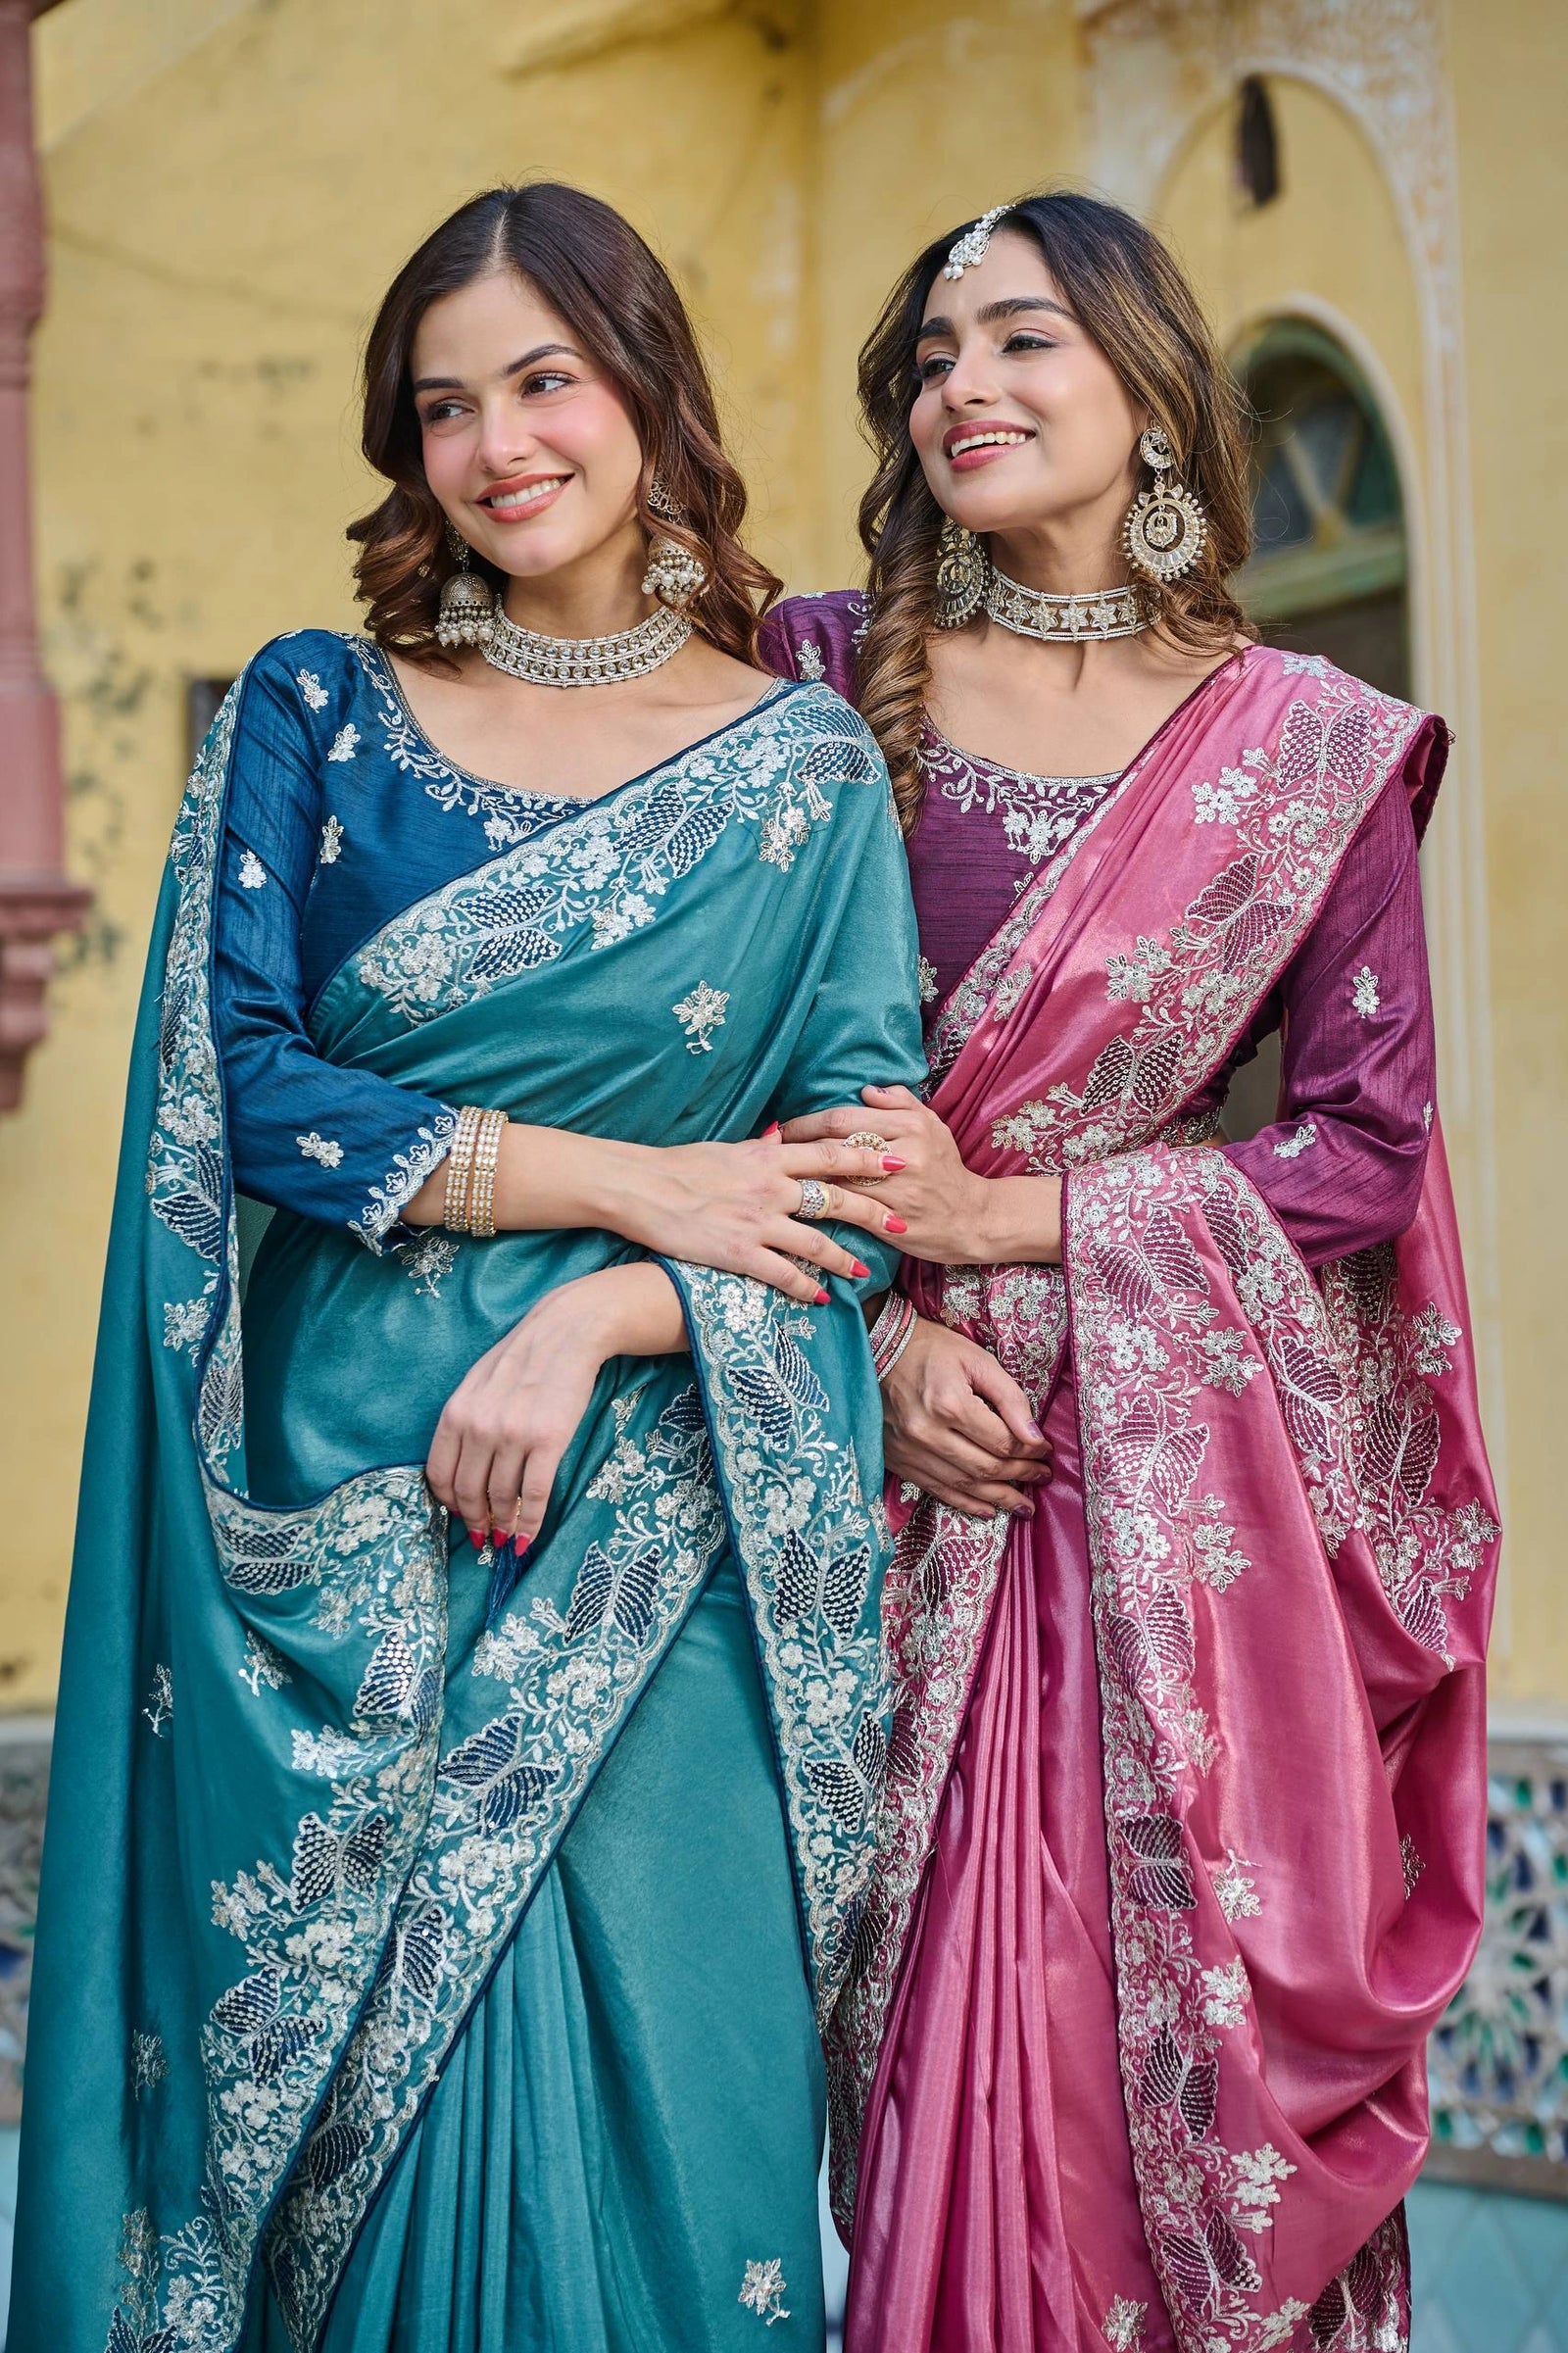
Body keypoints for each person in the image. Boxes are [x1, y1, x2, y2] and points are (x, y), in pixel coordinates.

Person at [11, 182, 928, 2353]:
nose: (499, 444)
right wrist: (631, 1185)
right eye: (444, 407)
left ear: (647, 388)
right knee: (353, 2181)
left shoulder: (802, 777)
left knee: (670, 2169)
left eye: (544, 381)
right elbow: (242, 1083)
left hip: (657, 1539)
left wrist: (604, 1311)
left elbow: (856, 1188)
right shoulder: (320, 712)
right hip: (342, 1550)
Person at [760, 191, 1498, 2353]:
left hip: (1169, 1518)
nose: (961, 387)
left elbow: (1363, 1149)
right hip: (878, 1485)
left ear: (1150, 393)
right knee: (929, 2085)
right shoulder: (817, 676)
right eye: (931, 357)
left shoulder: (1305, 746)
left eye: (1020, 342)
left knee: (1119, 2075)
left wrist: (1012, 1221)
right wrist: (879, 1331)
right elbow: (717, 1064)